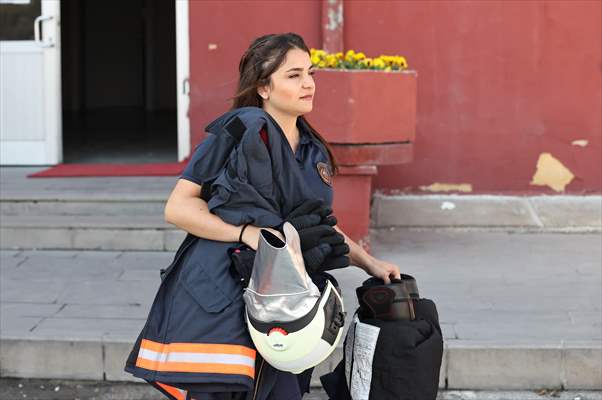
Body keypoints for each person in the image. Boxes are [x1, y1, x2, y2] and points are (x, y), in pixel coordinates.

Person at [124, 32, 401, 400]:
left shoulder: (312, 149)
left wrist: (369, 262)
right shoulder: (237, 132)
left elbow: (319, 226)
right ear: (263, 88)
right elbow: (178, 207)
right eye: (293, 75)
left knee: (283, 390)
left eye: (310, 73)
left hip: (290, 297)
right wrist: (247, 234)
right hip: (227, 288)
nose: (308, 84)